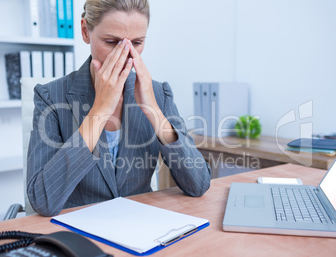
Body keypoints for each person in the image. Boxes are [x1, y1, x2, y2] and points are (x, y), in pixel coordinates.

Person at [27, 0, 211, 217]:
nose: (125, 55)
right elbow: (43, 200)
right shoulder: (49, 97)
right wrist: (100, 111)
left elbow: (198, 184)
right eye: (112, 42)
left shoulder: (159, 94)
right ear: (85, 31)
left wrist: (152, 109)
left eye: (137, 43)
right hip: (80, 232)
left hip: (140, 226)